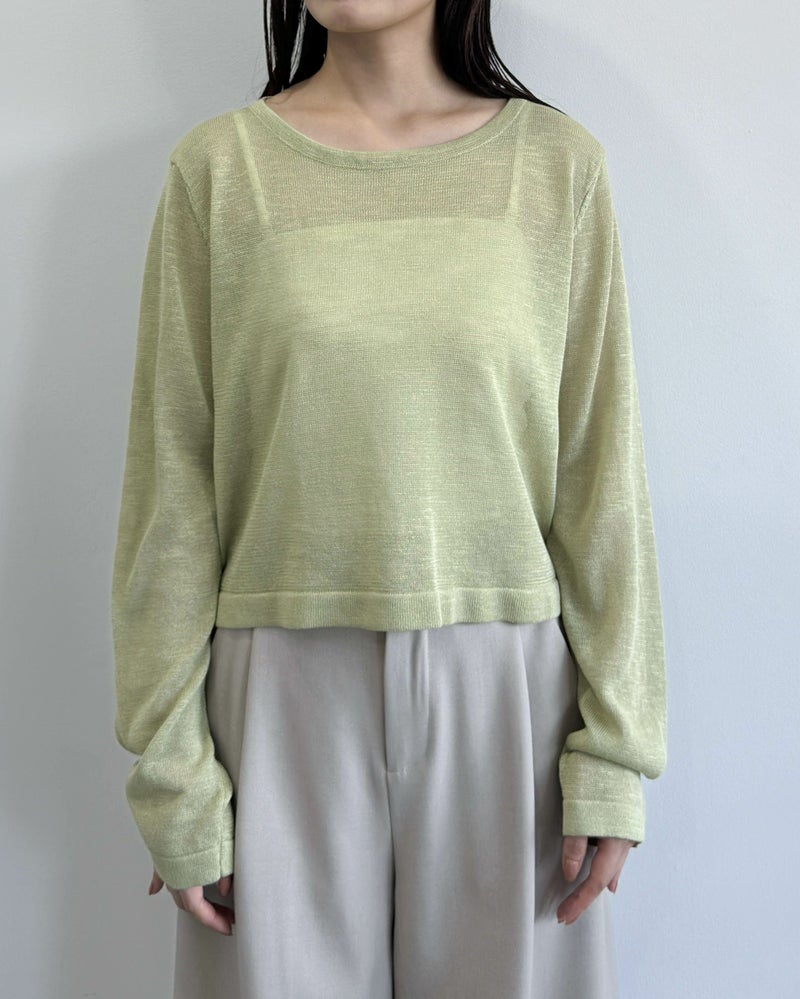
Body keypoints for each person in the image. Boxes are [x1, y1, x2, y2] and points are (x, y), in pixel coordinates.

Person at [110, 1, 668, 996]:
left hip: (509, 697)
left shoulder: (555, 167)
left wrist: (615, 753)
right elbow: (172, 492)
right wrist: (172, 776)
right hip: (278, 699)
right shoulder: (221, 171)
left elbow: (601, 484)